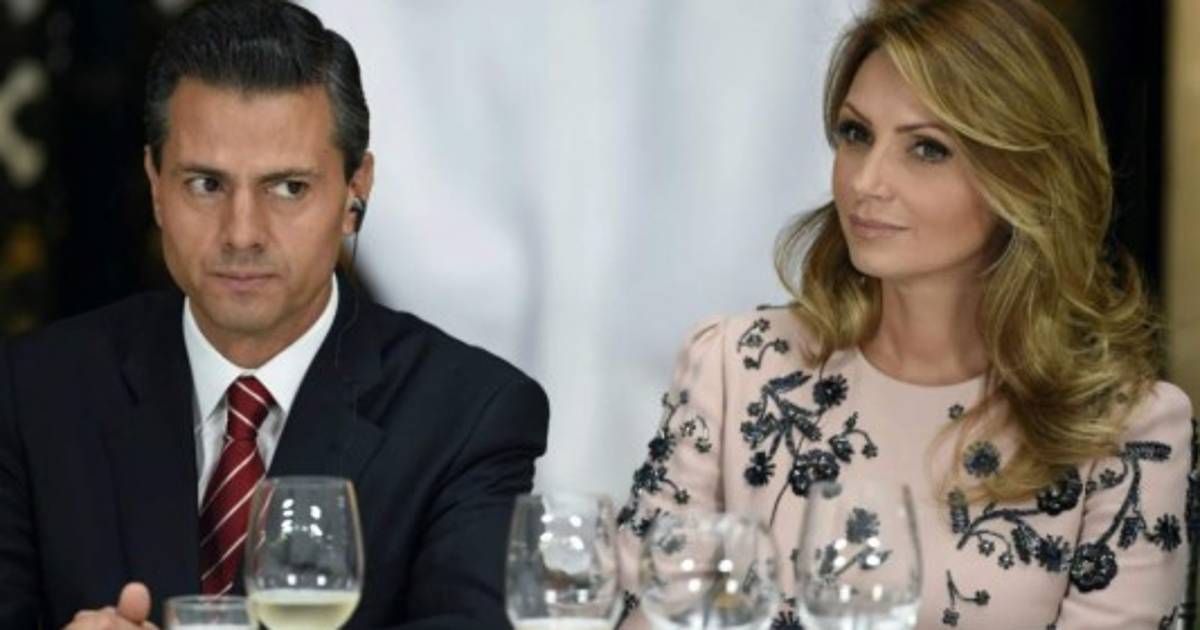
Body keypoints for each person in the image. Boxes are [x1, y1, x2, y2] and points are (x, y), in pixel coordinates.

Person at [616, 1, 1194, 628]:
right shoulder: (735, 369)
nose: (866, 182)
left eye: (926, 148)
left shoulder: (1126, 434)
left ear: (1025, 177)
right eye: (856, 134)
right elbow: (642, 616)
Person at [0, 1, 548, 628]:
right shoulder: (30, 392)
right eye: (206, 184)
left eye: (288, 188)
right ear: (155, 186)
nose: (242, 233)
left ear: (355, 192)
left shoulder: (470, 414)